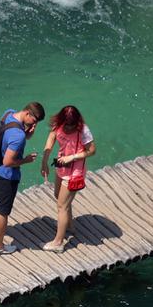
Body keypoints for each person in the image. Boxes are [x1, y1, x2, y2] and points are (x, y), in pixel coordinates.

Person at [0, 101, 45, 255]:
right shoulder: (18, 136)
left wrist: (29, 132)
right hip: (7, 176)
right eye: (35, 120)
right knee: (3, 211)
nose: (35, 123)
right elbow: (8, 161)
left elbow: (8, 136)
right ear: (27, 114)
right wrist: (25, 160)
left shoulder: (9, 113)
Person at [40, 105, 96, 252]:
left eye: (72, 125)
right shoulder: (57, 125)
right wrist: (44, 162)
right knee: (58, 197)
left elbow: (91, 150)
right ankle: (69, 226)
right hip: (61, 166)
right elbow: (51, 139)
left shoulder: (83, 130)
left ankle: (58, 243)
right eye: (67, 124)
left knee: (62, 206)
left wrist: (72, 156)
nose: (69, 128)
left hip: (75, 172)